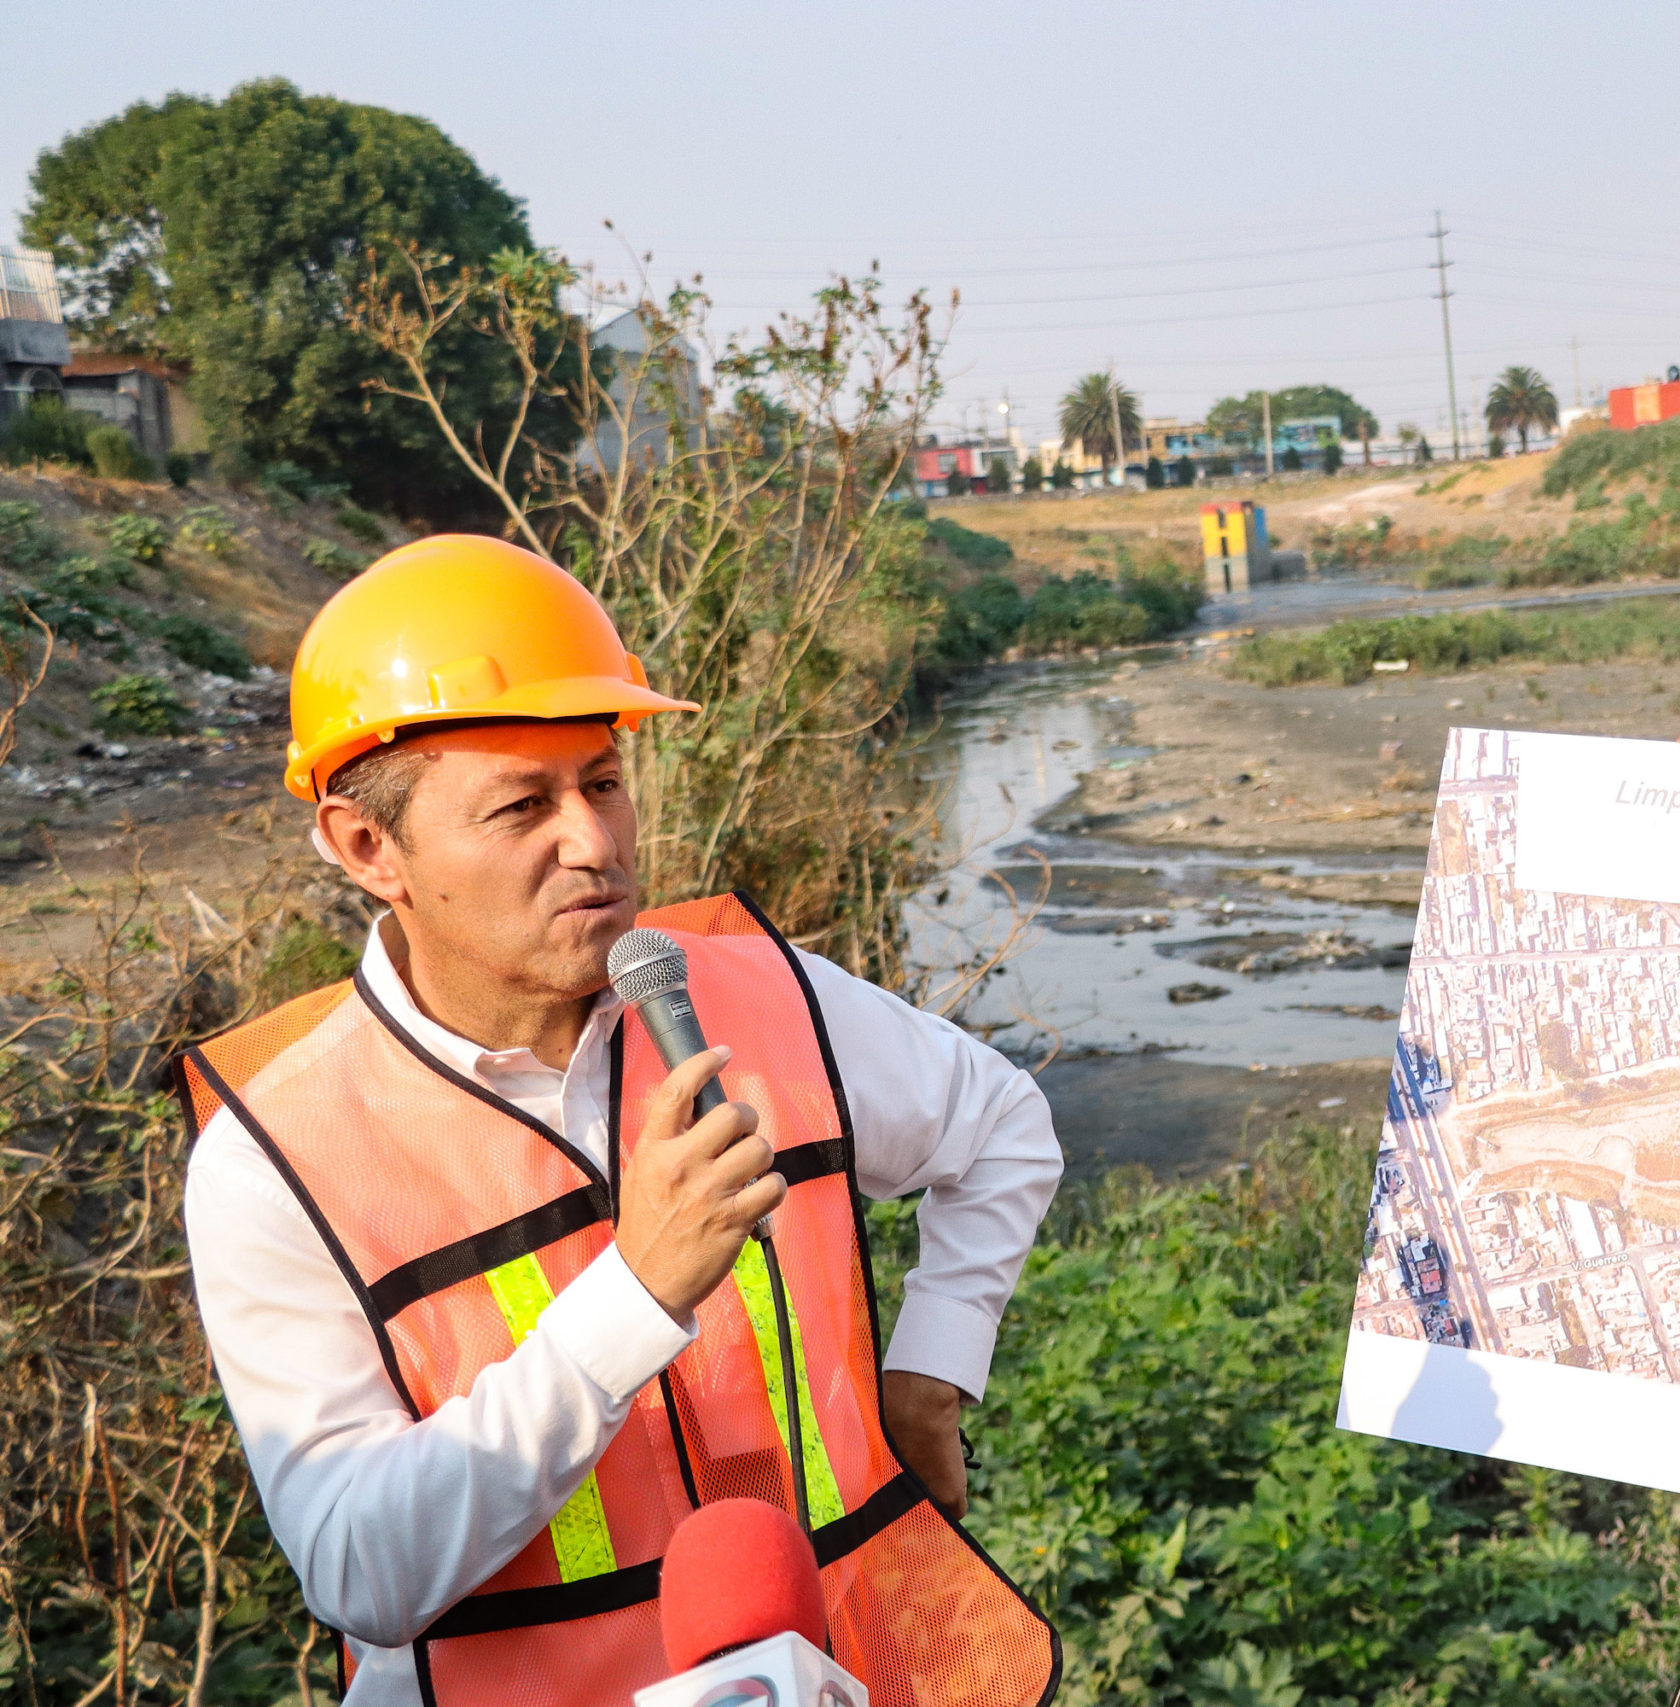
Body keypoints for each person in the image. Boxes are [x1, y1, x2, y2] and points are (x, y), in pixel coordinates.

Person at [181, 535, 1062, 1707]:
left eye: (602, 781)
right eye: (520, 807)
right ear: (366, 846)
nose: (595, 844)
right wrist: (635, 1299)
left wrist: (933, 1370)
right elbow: (359, 1572)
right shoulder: (277, 1159)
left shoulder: (763, 999)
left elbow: (1001, 1126)